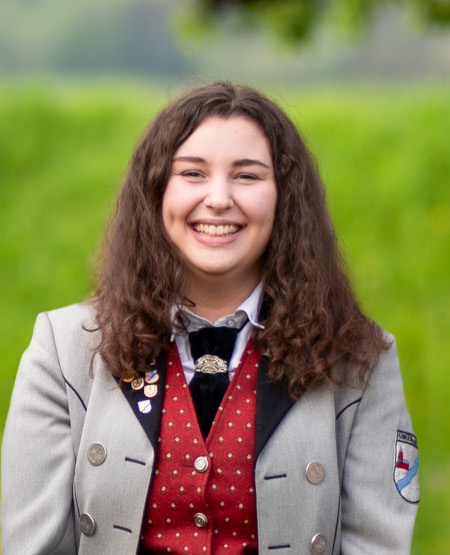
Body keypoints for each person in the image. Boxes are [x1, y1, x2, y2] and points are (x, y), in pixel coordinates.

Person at [1, 82, 419, 554]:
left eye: (247, 176)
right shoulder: (62, 350)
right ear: (156, 192)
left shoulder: (359, 361)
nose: (218, 198)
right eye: (192, 173)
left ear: (284, 198)